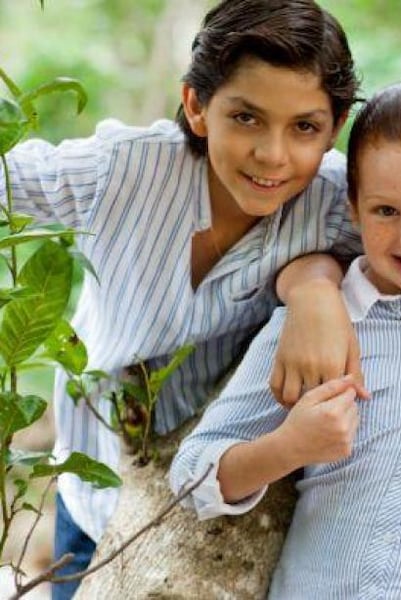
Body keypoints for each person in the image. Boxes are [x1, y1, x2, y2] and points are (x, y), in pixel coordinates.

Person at [0, 1, 363, 597]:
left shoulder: (332, 202)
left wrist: (314, 282)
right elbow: (14, 178)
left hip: (225, 493)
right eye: (246, 118)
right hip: (92, 485)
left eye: (304, 127)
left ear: (336, 125)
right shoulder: (125, 169)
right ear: (197, 106)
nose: (273, 155)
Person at [170, 80, 401, 598]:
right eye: (387, 211)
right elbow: (190, 475)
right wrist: (288, 447)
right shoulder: (317, 326)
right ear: (353, 207)